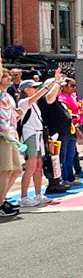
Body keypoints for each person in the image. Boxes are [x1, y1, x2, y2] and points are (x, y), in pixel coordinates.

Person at [17, 76, 61, 207]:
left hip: (38, 135)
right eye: (34, 87)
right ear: (26, 90)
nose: (37, 89)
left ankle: (38, 194)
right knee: (30, 166)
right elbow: (39, 95)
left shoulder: (34, 104)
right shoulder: (24, 102)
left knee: (38, 166)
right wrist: (53, 83)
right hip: (30, 135)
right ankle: (23, 197)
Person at [37, 74, 78, 189]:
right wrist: (57, 82)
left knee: (60, 158)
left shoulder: (57, 100)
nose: (60, 89)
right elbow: (50, 98)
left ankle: (57, 181)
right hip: (55, 133)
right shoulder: (46, 98)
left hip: (62, 133)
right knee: (54, 158)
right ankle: (53, 183)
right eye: (59, 87)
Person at [0, 64, 21, 216]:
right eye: (5, 76)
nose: (9, 78)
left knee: (16, 169)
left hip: (11, 134)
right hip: (3, 135)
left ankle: (2, 198)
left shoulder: (7, 95)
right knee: (5, 170)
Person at [58, 78, 83, 180]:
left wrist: (81, 112)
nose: (74, 88)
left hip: (75, 126)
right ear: (64, 87)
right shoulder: (63, 99)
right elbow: (68, 115)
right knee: (68, 155)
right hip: (70, 128)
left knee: (72, 153)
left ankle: (71, 176)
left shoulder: (71, 97)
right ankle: (68, 178)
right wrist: (76, 129)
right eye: (72, 86)